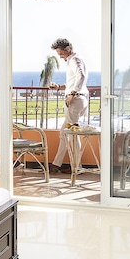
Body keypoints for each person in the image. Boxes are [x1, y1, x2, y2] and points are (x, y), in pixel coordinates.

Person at [48, 38, 89, 173]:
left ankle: (77, 167)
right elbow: (75, 81)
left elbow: (81, 76)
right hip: (78, 99)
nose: (60, 57)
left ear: (68, 49)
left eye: (61, 53)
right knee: (64, 133)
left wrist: (72, 93)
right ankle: (56, 164)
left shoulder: (74, 60)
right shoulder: (74, 60)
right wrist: (60, 87)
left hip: (75, 101)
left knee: (72, 134)